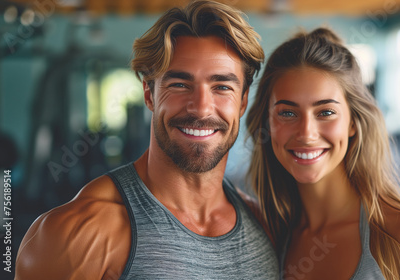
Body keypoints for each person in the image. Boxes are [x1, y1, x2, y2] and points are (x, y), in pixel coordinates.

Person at [16, 1, 279, 279]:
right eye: (179, 84)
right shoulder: (77, 233)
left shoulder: (264, 222)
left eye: (222, 87)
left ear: (243, 101)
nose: (201, 108)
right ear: (149, 94)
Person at [246, 27, 400, 279]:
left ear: (353, 122)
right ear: (267, 123)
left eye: (325, 112)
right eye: (287, 113)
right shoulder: (270, 236)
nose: (306, 133)